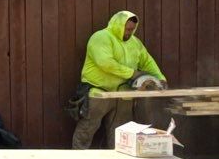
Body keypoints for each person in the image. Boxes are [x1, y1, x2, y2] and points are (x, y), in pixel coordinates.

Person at [70, 9, 167, 148]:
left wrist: (160, 78)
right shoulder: (101, 37)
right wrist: (132, 74)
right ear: (118, 25)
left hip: (123, 94)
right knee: (87, 128)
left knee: (121, 132)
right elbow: (105, 63)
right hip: (98, 92)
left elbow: (147, 61)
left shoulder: (135, 42)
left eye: (132, 30)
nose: (129, 32)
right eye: (127, 29)